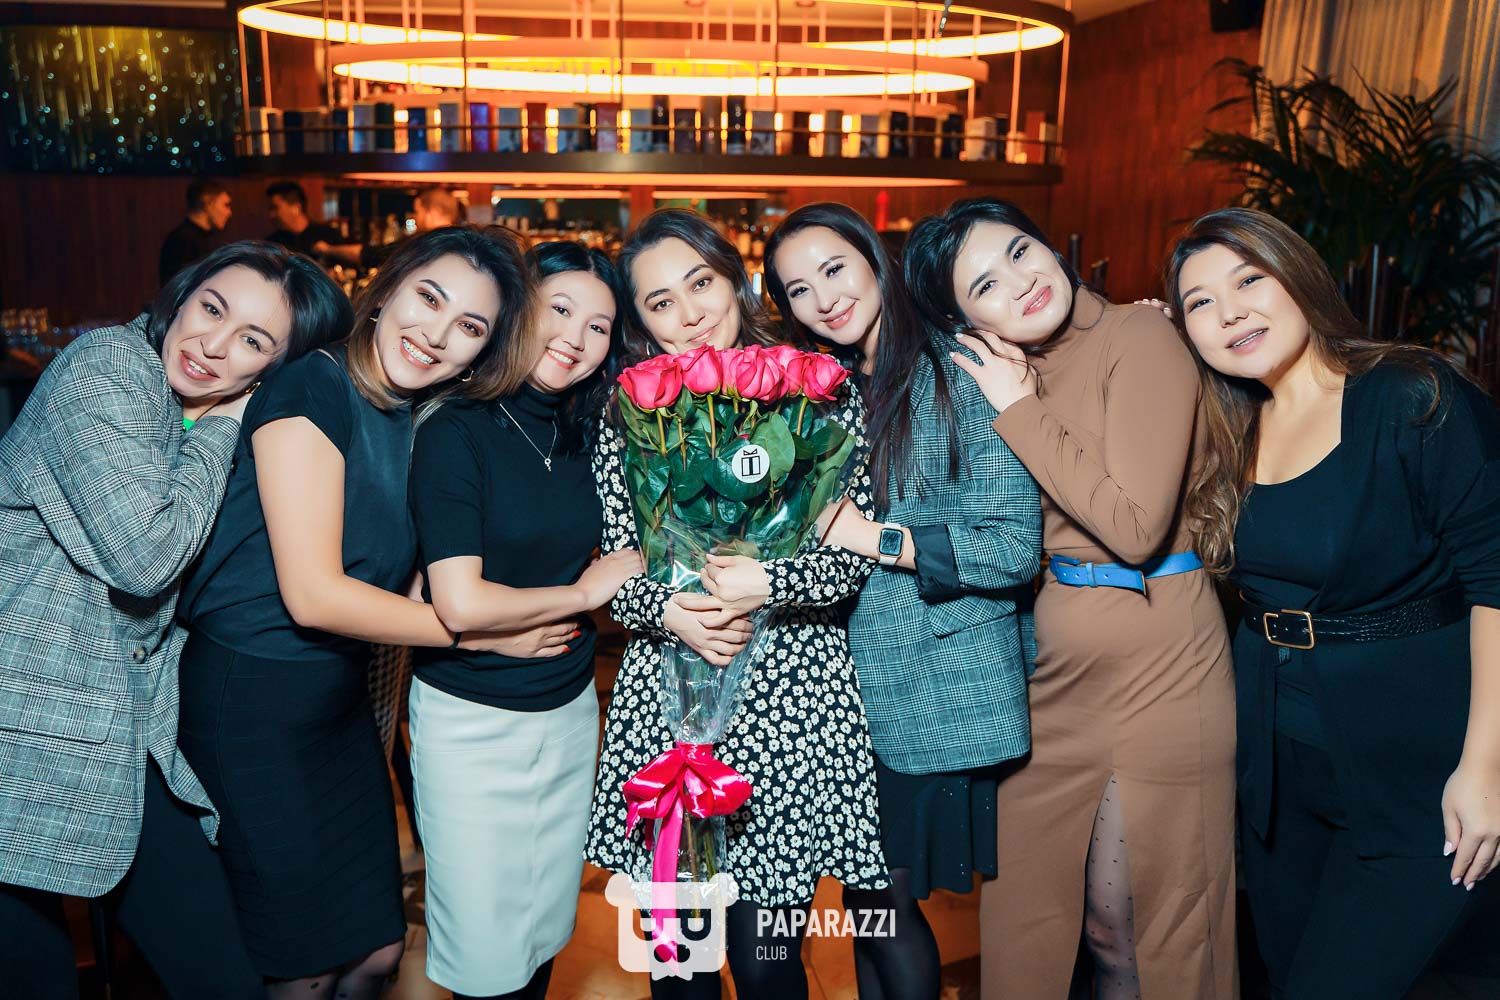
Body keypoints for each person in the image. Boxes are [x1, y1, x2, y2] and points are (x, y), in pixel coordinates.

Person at [175, 226, 537, 999]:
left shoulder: (420, 417)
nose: (436, 334)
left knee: (376, 950)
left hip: (335, 705)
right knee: (305, 967)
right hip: (251, 701)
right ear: (388, 289)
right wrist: (480, 633)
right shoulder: (312, 385)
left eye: (469, 327)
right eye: (428, 298)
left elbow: (408, 572)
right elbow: (315, 594)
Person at [905, 197, 1237, 999]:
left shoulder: (1140, 334)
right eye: (985, 285)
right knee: (1033, 919)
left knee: (1142, 929)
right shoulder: (986, 378)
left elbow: (1134, 527)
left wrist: (1019, 409)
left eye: (1020, 252)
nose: (1020, 282)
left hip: (1162, 658)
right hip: (1050, 674)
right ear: (964, 320)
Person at [0, 241, 350, 999]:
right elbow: (148, 556)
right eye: (211, 309)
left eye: (252, 340)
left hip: (126, 733)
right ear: (181, 295)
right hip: (26, 721)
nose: (213, 345)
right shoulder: (109, 365)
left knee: (219, 971)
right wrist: (226, 424)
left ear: (276, 365)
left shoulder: (203, 412)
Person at [1167, 207, 1500, 997]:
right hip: (1278, 781)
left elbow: (1495, 579)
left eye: (1249, 280)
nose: (1230, 312)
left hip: (1416, 770)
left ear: (1298, 277)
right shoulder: (1228, 428)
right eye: (1200, 303)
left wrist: (1486, 768)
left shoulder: (1411, 395)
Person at [584, 208, 888, 1000]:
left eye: (701, 284)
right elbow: (618, 566)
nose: (688, 314)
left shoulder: (821, 395)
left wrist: (769, 585)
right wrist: (668, 611)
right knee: (679, 966)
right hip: (671, 706)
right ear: (640, 321)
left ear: (735, 280)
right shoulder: (626, 414)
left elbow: (847, 563)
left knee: (767, 961)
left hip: (788, 699)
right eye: (660, 302)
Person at [764, 202, 1042, 1000]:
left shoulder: (958, 369)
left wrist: (869, 537)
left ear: (873, 258)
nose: (824, 298)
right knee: (867, 906)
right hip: (850, 694)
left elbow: (1011, 547)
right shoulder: (827, 390)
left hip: (935, 688)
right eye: (799, 289)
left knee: (880, 902)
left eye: (834, 269)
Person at [407, 240, 641, 1000]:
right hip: (472, 724)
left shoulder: (585, 431)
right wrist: (581, 594)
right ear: (516, 310)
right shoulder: (455, 428)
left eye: (598, 326)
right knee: (484, 954)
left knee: (543, 934)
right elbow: (460, 602)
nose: (575, 337)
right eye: (559, 309)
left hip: (569, 714)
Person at [315, 187, 465, 270]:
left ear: (433, 212)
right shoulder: (463, 242)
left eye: (417, 211)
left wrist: (328, 249)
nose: (415, 217)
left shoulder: (422, 243)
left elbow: (371, 254)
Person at [159, 178, 234, 284]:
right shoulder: (183, 240)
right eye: (226, 205)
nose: (229, 212)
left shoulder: (201, 238)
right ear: (208, 203)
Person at [265, 180, 342, 259]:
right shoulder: (272, 244)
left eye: (274, 208)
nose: (271, 215)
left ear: (296, 207)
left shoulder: (329, 235)